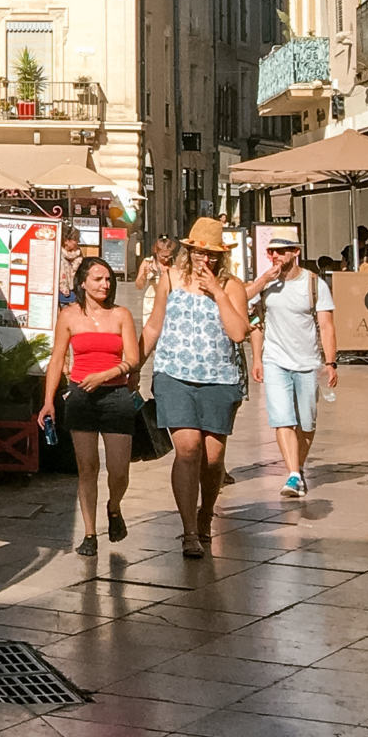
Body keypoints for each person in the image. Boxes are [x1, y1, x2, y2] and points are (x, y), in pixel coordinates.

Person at [143, 216, 249, 558]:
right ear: (188, 251)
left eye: (214, 254)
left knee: (213, 459)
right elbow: (154, 325)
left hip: (219, 378)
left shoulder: (232, 286)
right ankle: (189, 530)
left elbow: (238, 332)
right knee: (188, 448)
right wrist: (132, 365)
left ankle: (207, 512)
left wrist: (217, 292)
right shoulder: (171, 278)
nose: (207, 260)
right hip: (173, 374)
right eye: (201, 253)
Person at [42, 255, 144, 557]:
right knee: (87, 467)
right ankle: (89, 533)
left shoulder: (121, 315)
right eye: (98, 279)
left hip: (116, 395)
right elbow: (57, 359)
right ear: (83, 283)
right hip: (81, 396)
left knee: (119, 470)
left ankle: (114, 506)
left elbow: (133, 359)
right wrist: (48, 401)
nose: (104, 284)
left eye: (108, 279)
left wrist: (106, 375)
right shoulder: (69, 316)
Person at [247, 229, 337, 499]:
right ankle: (293, 474)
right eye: (271, 251)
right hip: (275, 360)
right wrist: (257, 358)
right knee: (282, 419)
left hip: (307, 362)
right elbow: (247, 310)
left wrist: (331, 362)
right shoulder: (266, 283)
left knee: (306, 423)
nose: (275, 255)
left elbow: (326, 325)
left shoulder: (314, 284)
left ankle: (296, 467)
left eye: (281, 251)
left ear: (295, 252)